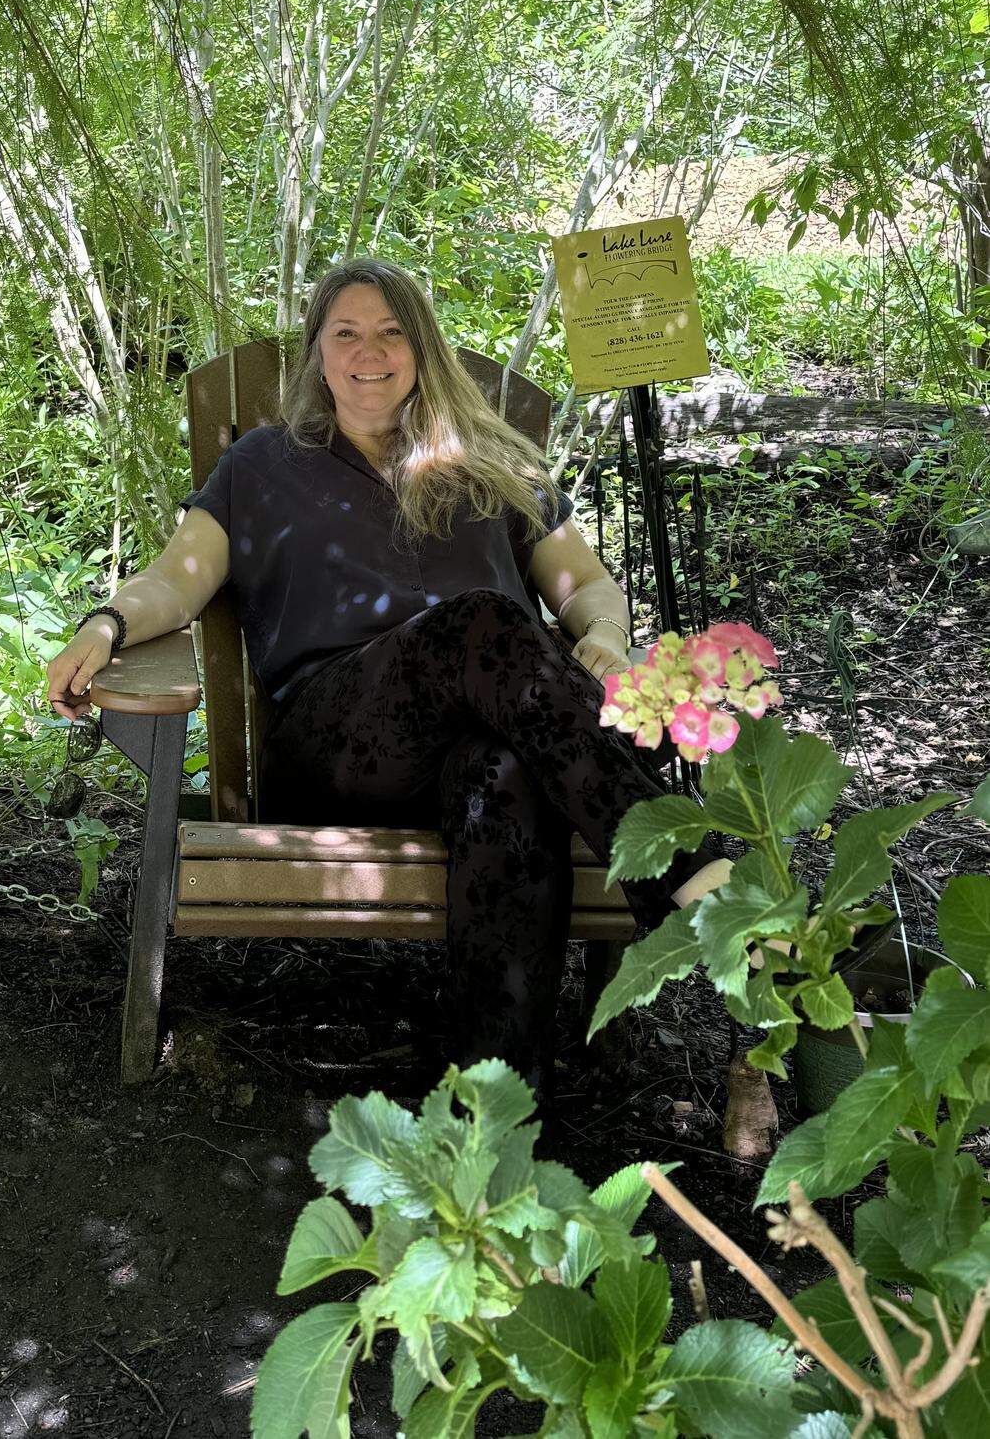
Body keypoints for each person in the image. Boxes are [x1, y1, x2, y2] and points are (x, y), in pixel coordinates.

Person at [47, 258, 721, 1092]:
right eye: (348, 333)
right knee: (481, 622)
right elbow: (176, 580)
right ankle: (688, 873)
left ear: (422, 348)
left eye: (393, 331)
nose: (371, 351)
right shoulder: (261, 466)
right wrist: (106, 623)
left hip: (476, 744)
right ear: (318, 356)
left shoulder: (490, 463)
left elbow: (583, 585)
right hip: (337, 745)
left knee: (504, 773)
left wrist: (610, 640)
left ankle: (496, 1114)